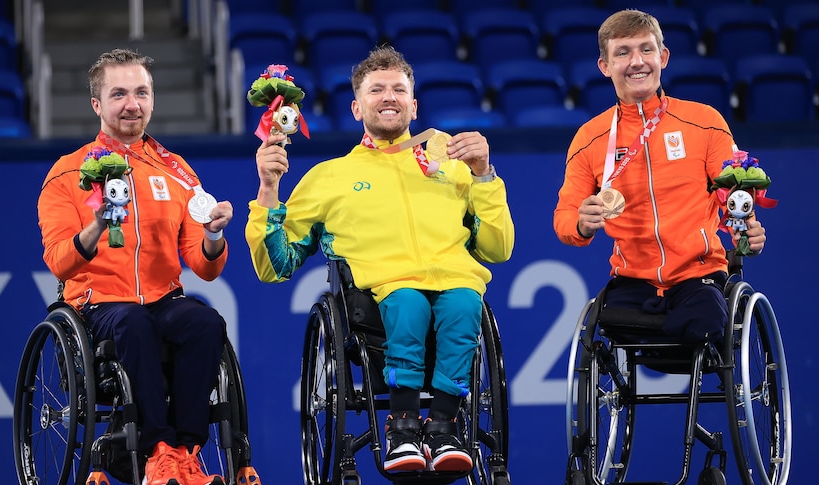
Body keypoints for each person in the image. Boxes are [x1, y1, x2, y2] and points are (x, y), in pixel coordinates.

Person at [245, 45, 514, 473]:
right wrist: (267, 189)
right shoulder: (328, 177)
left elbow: (498, 249)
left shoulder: (453, 164)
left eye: (398, 89)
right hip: (380, 297)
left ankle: (444, 426)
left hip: (455, 285)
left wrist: (484, 174)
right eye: (376, 90)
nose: (388, 97)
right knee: (408, 301)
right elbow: (275, 265)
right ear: (356, 108)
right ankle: (403, 426)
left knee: (466, 302)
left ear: (414, 104)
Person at [38, 48, 233, 485]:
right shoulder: (67, 175)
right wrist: (96, 227)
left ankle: (186, 454)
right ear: (97, 104)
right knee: (132, 323)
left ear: (152, 99)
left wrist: (214, 235)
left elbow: (204, 268)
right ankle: (157, 453)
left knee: (205, 323)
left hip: (163, 298)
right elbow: (59, 260)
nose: (132, 104)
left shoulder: (177, 171)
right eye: (119, 94)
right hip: (100, 304)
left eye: (141, 92)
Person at [553, 9, 767, 344]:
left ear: (662, 57)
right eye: (623, 52)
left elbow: (734, 195)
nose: (637, 61)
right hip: (632, 281)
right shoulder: (590, 138)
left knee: (707, 321)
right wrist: (581, 223)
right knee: (603, 327)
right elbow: (564, 219)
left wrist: (746, 231)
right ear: (605, 66)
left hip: (699, 276)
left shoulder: (704, 121)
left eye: (646, 49)